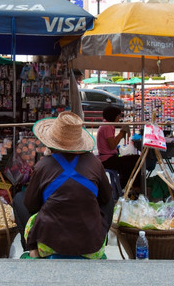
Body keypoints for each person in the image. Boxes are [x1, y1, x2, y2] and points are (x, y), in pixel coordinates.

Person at [13, 111, 114, 258]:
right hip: (91, 246)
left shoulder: (43, 165)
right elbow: (106, 199)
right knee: (109, 200)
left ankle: (32, 248)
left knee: (18, 199)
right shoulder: (95, 163)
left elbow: (30, 205)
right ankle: (101, 241)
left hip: (48, 244)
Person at [97, 106, 156, 190]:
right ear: (114, 116)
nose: (119, 118)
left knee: (132, 161)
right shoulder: (107, 126)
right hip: (107, 159)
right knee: (136, 159)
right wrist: (122, 132)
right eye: (118, 116)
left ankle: (125, 186)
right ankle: (132, 186)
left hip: (109, 157)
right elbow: (112, 145)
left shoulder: (107, 125)